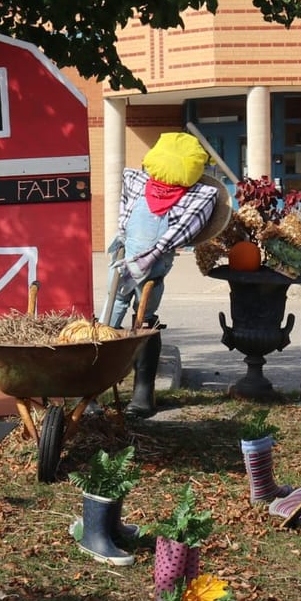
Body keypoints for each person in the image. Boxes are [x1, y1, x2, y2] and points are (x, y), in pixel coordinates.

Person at [104, 132, 224, 417]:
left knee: (143, 321)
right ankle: (95, 385)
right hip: (126, 262)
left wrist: (152, 254)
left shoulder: (195, 198)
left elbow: (180, 232)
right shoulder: (138, 184)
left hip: (151, 267)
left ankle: (142, 393)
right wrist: (127, 240)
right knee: (108, 318)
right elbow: (126, 215)